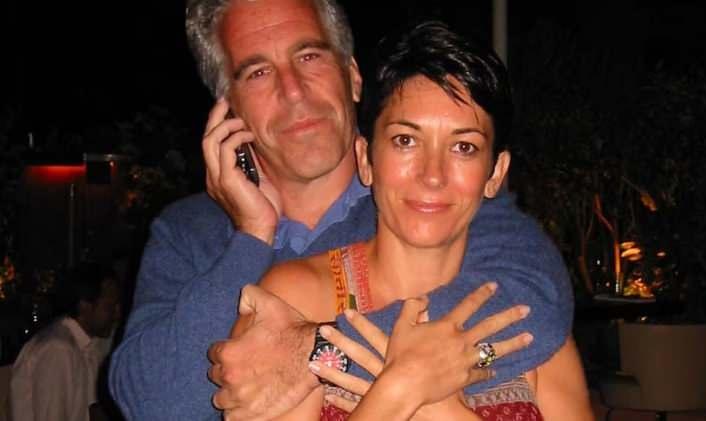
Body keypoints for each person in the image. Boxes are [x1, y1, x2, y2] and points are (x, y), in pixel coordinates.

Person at [109, 0, 573, 420]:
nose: (293, 91)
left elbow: (535, 305)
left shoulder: (429, 205)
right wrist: (250, 238)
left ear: (352, 76)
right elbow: (156, 406)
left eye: (309, 56)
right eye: (258, 72)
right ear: (228, 108)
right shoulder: (189, 233)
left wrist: (314, 351)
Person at [248, 20, 592, 420]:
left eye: (463, 147)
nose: (433, 175)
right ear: (366, 159)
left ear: (495, 173)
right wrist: (398, 390)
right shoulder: (296, 304)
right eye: (406, 141)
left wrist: (433, 405)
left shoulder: (521, 317)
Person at [10, 263, 121, 421]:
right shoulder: (58, 349)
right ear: (85, 306)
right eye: (110, 307)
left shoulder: (89, 345)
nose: (117, 314)